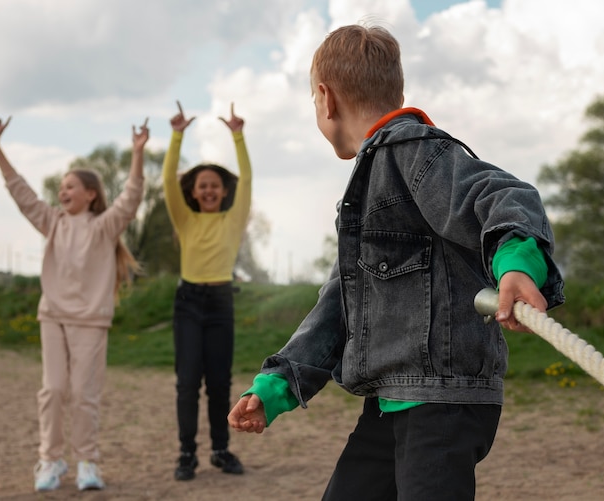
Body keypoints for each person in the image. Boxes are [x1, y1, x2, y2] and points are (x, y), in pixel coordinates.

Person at [228, 24, 565, 501]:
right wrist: (277, 385)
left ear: (325, 99)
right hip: (389, 401)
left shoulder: (415, 150)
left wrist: (516, 263)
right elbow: (338, 308)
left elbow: (504, 195)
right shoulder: (368, 186)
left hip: (441, 403)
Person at [0, 115, 148, 492]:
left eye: (70, 186)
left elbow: (132, 195)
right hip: (53, 318)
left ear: (90, 194)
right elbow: (20, 191)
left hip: (91, 321)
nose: (62, 192)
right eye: (60, 187)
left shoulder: (105, 226)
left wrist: (137, 153)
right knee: (54, 389)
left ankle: (87, 462)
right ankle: (50, 461)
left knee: (84, 394)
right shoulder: (52, 221)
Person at [162, 101, 251, 481]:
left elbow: (246, 180)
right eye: (203, 185)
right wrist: (177, 135)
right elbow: (167, 181)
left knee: (219, 383)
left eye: (215, 184)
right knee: (187, 385)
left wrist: (238, 135)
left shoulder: (234, 219)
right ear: (194, 193)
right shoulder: (185, 219)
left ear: (222, 190)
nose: (210, 189)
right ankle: (186, 455)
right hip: (188, 304)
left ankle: (220, 450)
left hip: (220, 303)